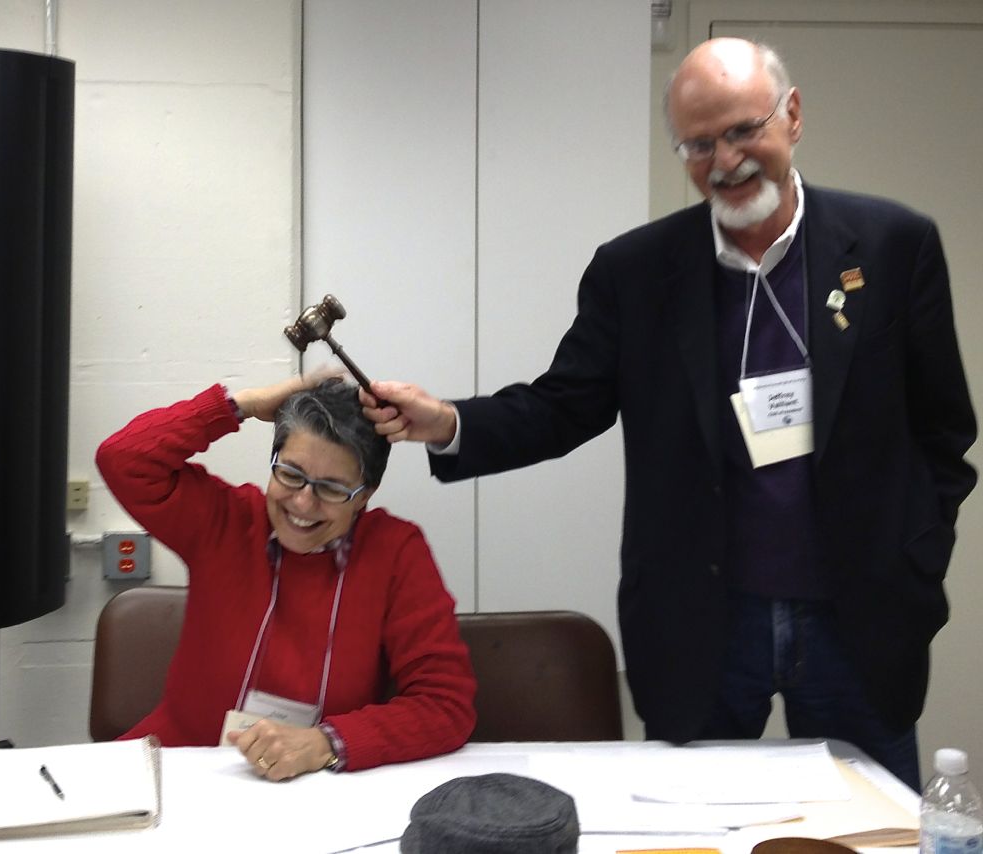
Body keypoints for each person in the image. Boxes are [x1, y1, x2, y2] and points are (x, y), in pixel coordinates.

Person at [362, 37, 975, 790]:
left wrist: (916, 557)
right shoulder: (637, 270)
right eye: (699, 144)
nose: (726, 160)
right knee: (694, 825)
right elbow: (564, 406)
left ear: (792, 115)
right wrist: (448, 423)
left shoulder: (892, 245)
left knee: (872, 825)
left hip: (861, 616)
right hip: (704, 623)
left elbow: (945, 430)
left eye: (744, 130)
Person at [95, 376, 476, 780]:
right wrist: (240, 404)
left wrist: (326, 743)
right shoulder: (225, 519)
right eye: (291, 474)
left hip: (313, 781)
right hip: (182, 764)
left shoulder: (395, 551)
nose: (303, 503)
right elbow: (122, 459)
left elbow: (445, 704)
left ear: (364, 495)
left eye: (332, 489)